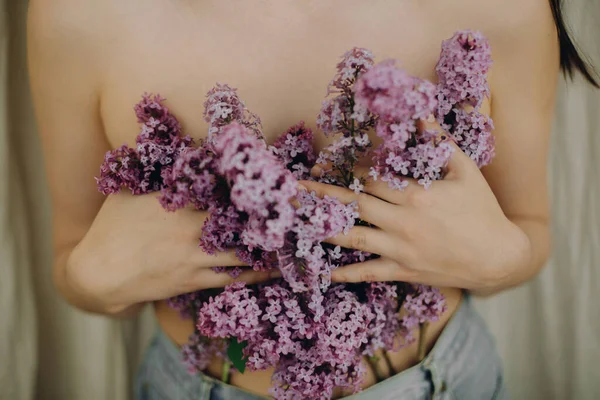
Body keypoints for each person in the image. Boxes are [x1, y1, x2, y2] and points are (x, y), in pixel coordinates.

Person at [27, 0, 597, 399]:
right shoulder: (81, 16)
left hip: (445, 380)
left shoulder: (500, 8)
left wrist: (496, 260)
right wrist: (96, 278)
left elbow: (531, 228)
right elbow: (72, 265)